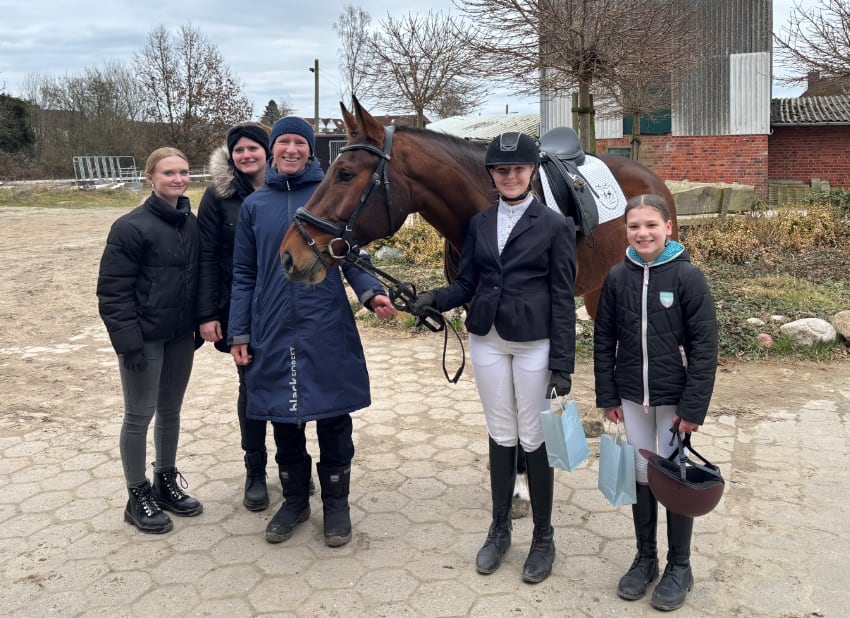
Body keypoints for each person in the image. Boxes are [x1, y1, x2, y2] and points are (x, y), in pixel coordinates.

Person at [410, 132, 576, 584]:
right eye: (501, 171)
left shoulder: (555, 227)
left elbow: (563, 298)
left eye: (518, 170)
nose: (509, 177)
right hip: (487, 338)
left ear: (531, 173)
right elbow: (467, 285)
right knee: (501, 432)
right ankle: (499, 527)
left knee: (533, 434)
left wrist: (563, 364)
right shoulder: (480, 223)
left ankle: (543, 536)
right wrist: (435, 299)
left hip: (534, 342)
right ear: (492, 176)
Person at [228, 116, 396, 547]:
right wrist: (240, 332)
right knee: (283, 420)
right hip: (271, 325)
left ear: (309, 149)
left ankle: (336, 505)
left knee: (333, 417)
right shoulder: (254, 206)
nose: (290, 150)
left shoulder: (325, 195)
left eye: (298, 143)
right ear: (272, 150)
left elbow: (351, 253)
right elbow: (244, 274)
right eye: (282, 142)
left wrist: (371, 292)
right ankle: (296, 500)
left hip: (325, 321)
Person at [593, 193, 718, 611]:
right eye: (634, 226)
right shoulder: (616, 278)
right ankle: (644, 558)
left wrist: (693, 408)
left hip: (674, 401)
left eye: (651, 224)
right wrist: (607, 394)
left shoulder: (688, 278)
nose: (642, 233)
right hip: (631, 397)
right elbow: (602, 339)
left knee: (673, 478)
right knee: (642, 475)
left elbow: (705, 348)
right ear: (625, 231)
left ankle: (679, 566)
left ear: (668, 228)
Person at [196, 121, 309, 512]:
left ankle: (294, 467)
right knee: (253, 389)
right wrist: (209, 313)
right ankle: (256, 470)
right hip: (241, 308)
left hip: (291, 306)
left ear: (268, 151)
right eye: (238, 150)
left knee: (295, 380)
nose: (246, 156)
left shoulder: (295, 190)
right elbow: (207, 256)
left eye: (253, 149)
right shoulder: (218, 197)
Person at [97, 147, 203, 534]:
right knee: (139, 416)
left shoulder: (189, 223)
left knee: (171, 412)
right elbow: (112, 292)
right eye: (169, 173)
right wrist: (129, 344)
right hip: (143, 340)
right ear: (150, 179)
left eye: (184, 172)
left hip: (179, 337)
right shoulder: (130, 227)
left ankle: (164, 481)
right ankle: (136, 493)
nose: (177, 179)